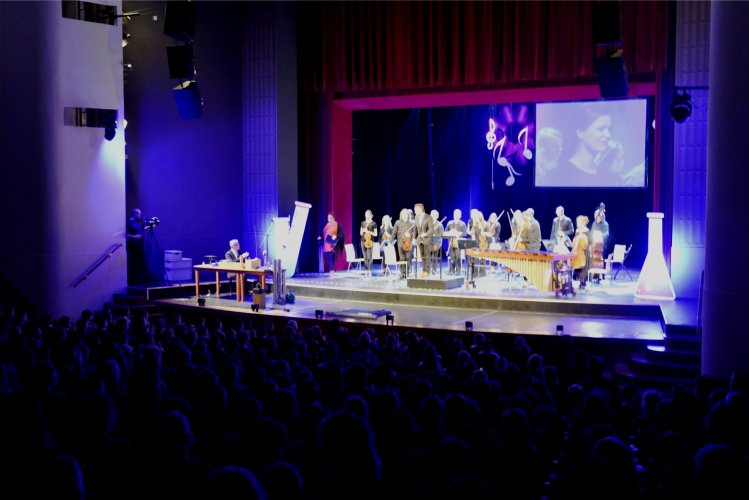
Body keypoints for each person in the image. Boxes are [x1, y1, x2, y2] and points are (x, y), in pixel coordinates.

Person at [126, 208, 147, 285]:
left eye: (140, 214)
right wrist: (135, 237)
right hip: (132, 246)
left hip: (140, 246)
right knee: (133, 263)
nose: (139, 215)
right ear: (135, 214)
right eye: (138, 214)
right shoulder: (129, 222)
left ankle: (142, 280)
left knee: (141, 262)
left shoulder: (140, 222)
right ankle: (132, 281)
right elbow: (126, 234)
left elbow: (144, 229)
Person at [392, 208, 414, 279]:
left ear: (408, 215)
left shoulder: (411, 223)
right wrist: (390, 242)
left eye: (405, 214)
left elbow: (414, 233)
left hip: (409, 243)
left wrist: (410, 235)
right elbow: (394, 233)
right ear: (401, 215)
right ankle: (402, 273)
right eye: (402, 214)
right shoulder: (397, 223)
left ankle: (407, 273)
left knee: (408, 258)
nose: (404, 216)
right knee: (402, 259)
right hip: (400, 244)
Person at [414, 203, 434, 277]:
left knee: (427, 255)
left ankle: (427, 271)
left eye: (415, 210)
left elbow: (431, 229)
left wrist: (425, 234)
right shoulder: (416, 217)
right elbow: (415, 229)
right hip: (420, 240)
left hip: (427, 240)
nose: (414, 211)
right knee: (422, 255)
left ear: (420, 209)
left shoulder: (428, 217)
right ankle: (424, 270)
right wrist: (414, 238)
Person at [445, 208, 467, 275]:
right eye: (455, 214)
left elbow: (465, 233)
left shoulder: (462, 224)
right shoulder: (450, 223)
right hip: (451, 242)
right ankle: (451, 270)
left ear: (460, 215)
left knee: (458, 257)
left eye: (457, 214)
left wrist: (459, 233)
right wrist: (450, 232)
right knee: (452, 257)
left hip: (458, 242)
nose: (456, 215)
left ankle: (458, 270)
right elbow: (445, 232)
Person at [571, 215, 591, 290]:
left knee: (584, 269)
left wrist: (583, 237)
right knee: (578, 268)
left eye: (578, 222)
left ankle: (583, 283)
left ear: (582, 222)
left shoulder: (587, 230)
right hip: (577, 251)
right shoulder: (577, 230)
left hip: (584, 252)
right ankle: (578, 281)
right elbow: (575, 241)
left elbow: (590, 241)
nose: (577, 223)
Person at [359, 210, 378, 278]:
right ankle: (366, 270)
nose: (367, 216)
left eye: (368, 215)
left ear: (371, 216)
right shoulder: (363, 223)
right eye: (366, 215)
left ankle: (370, 270)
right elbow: (361, 233)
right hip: (363, 241)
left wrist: (368, 231)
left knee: (369, 256)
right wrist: (363, 231)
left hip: (370, 241)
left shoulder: (374, 223)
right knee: (365, 256)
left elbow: (375, 234)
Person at [430, 209, 444, 273]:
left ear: (437, 216)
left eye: (434, 215)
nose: (433, 216)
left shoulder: (440, 225)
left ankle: (434, 269)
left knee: (434, 255)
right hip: (429, 241)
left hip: (437, 242)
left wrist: (435, 235)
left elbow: (441, 235)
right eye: (432, 215)